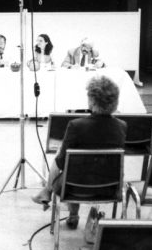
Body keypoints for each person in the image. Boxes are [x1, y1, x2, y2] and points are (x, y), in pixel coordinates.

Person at [31, 76, 126, 228]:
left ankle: (51, 194)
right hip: (109, 188)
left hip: (74, 188)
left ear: (91, 101)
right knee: (86, 167)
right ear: (115, 101)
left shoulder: (76, 126)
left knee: (66, 162)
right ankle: (55, 199)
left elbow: (61, 163)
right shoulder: (121, 126)